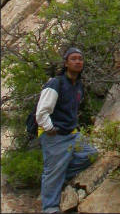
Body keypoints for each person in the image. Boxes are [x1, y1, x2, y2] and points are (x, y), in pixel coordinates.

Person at [36, 48, 98, 214]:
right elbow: (42, 112)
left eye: (80, 59)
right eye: (73, 59)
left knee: (91, 154)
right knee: (53, 171)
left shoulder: (78, 85)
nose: (78, 62)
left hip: (71, 133)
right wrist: (49, 129)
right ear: (65, 63)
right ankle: (49, 208)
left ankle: (58, 177)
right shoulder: (56, 83)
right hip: (53, 134)